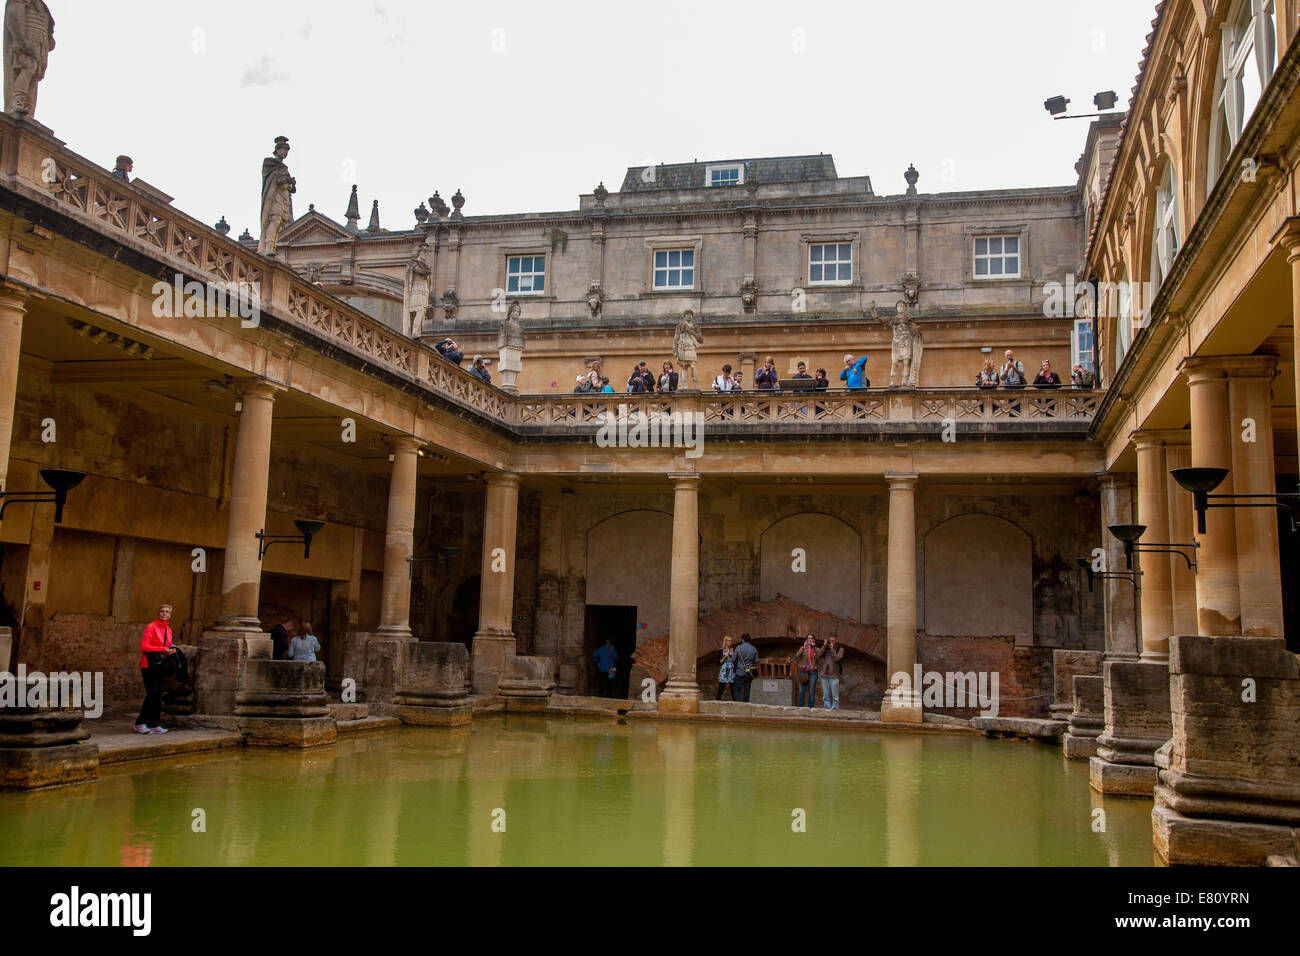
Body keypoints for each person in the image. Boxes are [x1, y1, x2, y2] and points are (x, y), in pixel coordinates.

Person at [134, 604, 177, 734]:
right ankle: (140, 723)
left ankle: (154, 724)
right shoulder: (151, 627)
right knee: (152, 694)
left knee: (157, 695)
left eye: (167, 612)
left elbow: (168, 644)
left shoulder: (168, 629)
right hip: (148, 665)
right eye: (162, 611)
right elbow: (144, 646)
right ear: (158, 614)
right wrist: (162, 649)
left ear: (170, 615)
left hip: (160, 665)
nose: (164, 613)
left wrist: (172, 649)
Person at [815, 635, 845, 710]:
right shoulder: (826, 648)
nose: (831, 642)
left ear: (836, 641)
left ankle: (835, 709)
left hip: (834, 675)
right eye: (830, 640)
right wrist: (824, 646)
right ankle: (826, 708)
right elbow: (818, 655)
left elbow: (837, 658)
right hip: (824, 674)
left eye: (833, 640)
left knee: (835, 696)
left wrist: (832, 649)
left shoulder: (840, 649)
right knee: (825, 695)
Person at [793, 634, 819, 708]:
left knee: (811, 692)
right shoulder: (803, 648)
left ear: (813, 640)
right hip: (803, 671)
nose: (810, 640)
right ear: (806, 640)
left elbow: (820, 655)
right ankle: (801, 708)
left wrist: (814, 648)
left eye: (811, 638)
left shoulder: (815, 649)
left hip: (813, 672)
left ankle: (811, 709)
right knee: (801, 691)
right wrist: (803, 647)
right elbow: (797, 655)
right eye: (808, 638)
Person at [731, 633, 758, 702]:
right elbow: (756, 661)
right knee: (747, 689)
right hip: (749, 673)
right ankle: (745, 705)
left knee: (736, 689)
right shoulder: (754, 649)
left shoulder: (738, 648)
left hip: (739, 672)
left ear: (742, 640)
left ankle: (738, 704)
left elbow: (733, 659)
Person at [717, 635, 736, 700]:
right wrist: (725, 656)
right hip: (724, 669)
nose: (730, 642)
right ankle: (717, 701)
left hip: (731, 669)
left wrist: (731, 655)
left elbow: (735, 660)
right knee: (721, 687)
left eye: (731, 641)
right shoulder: (721, 650)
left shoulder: (733, 649)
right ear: (725, 642)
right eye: (729, 641)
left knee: (732, 688)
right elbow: (719, 662)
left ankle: (735, 701)